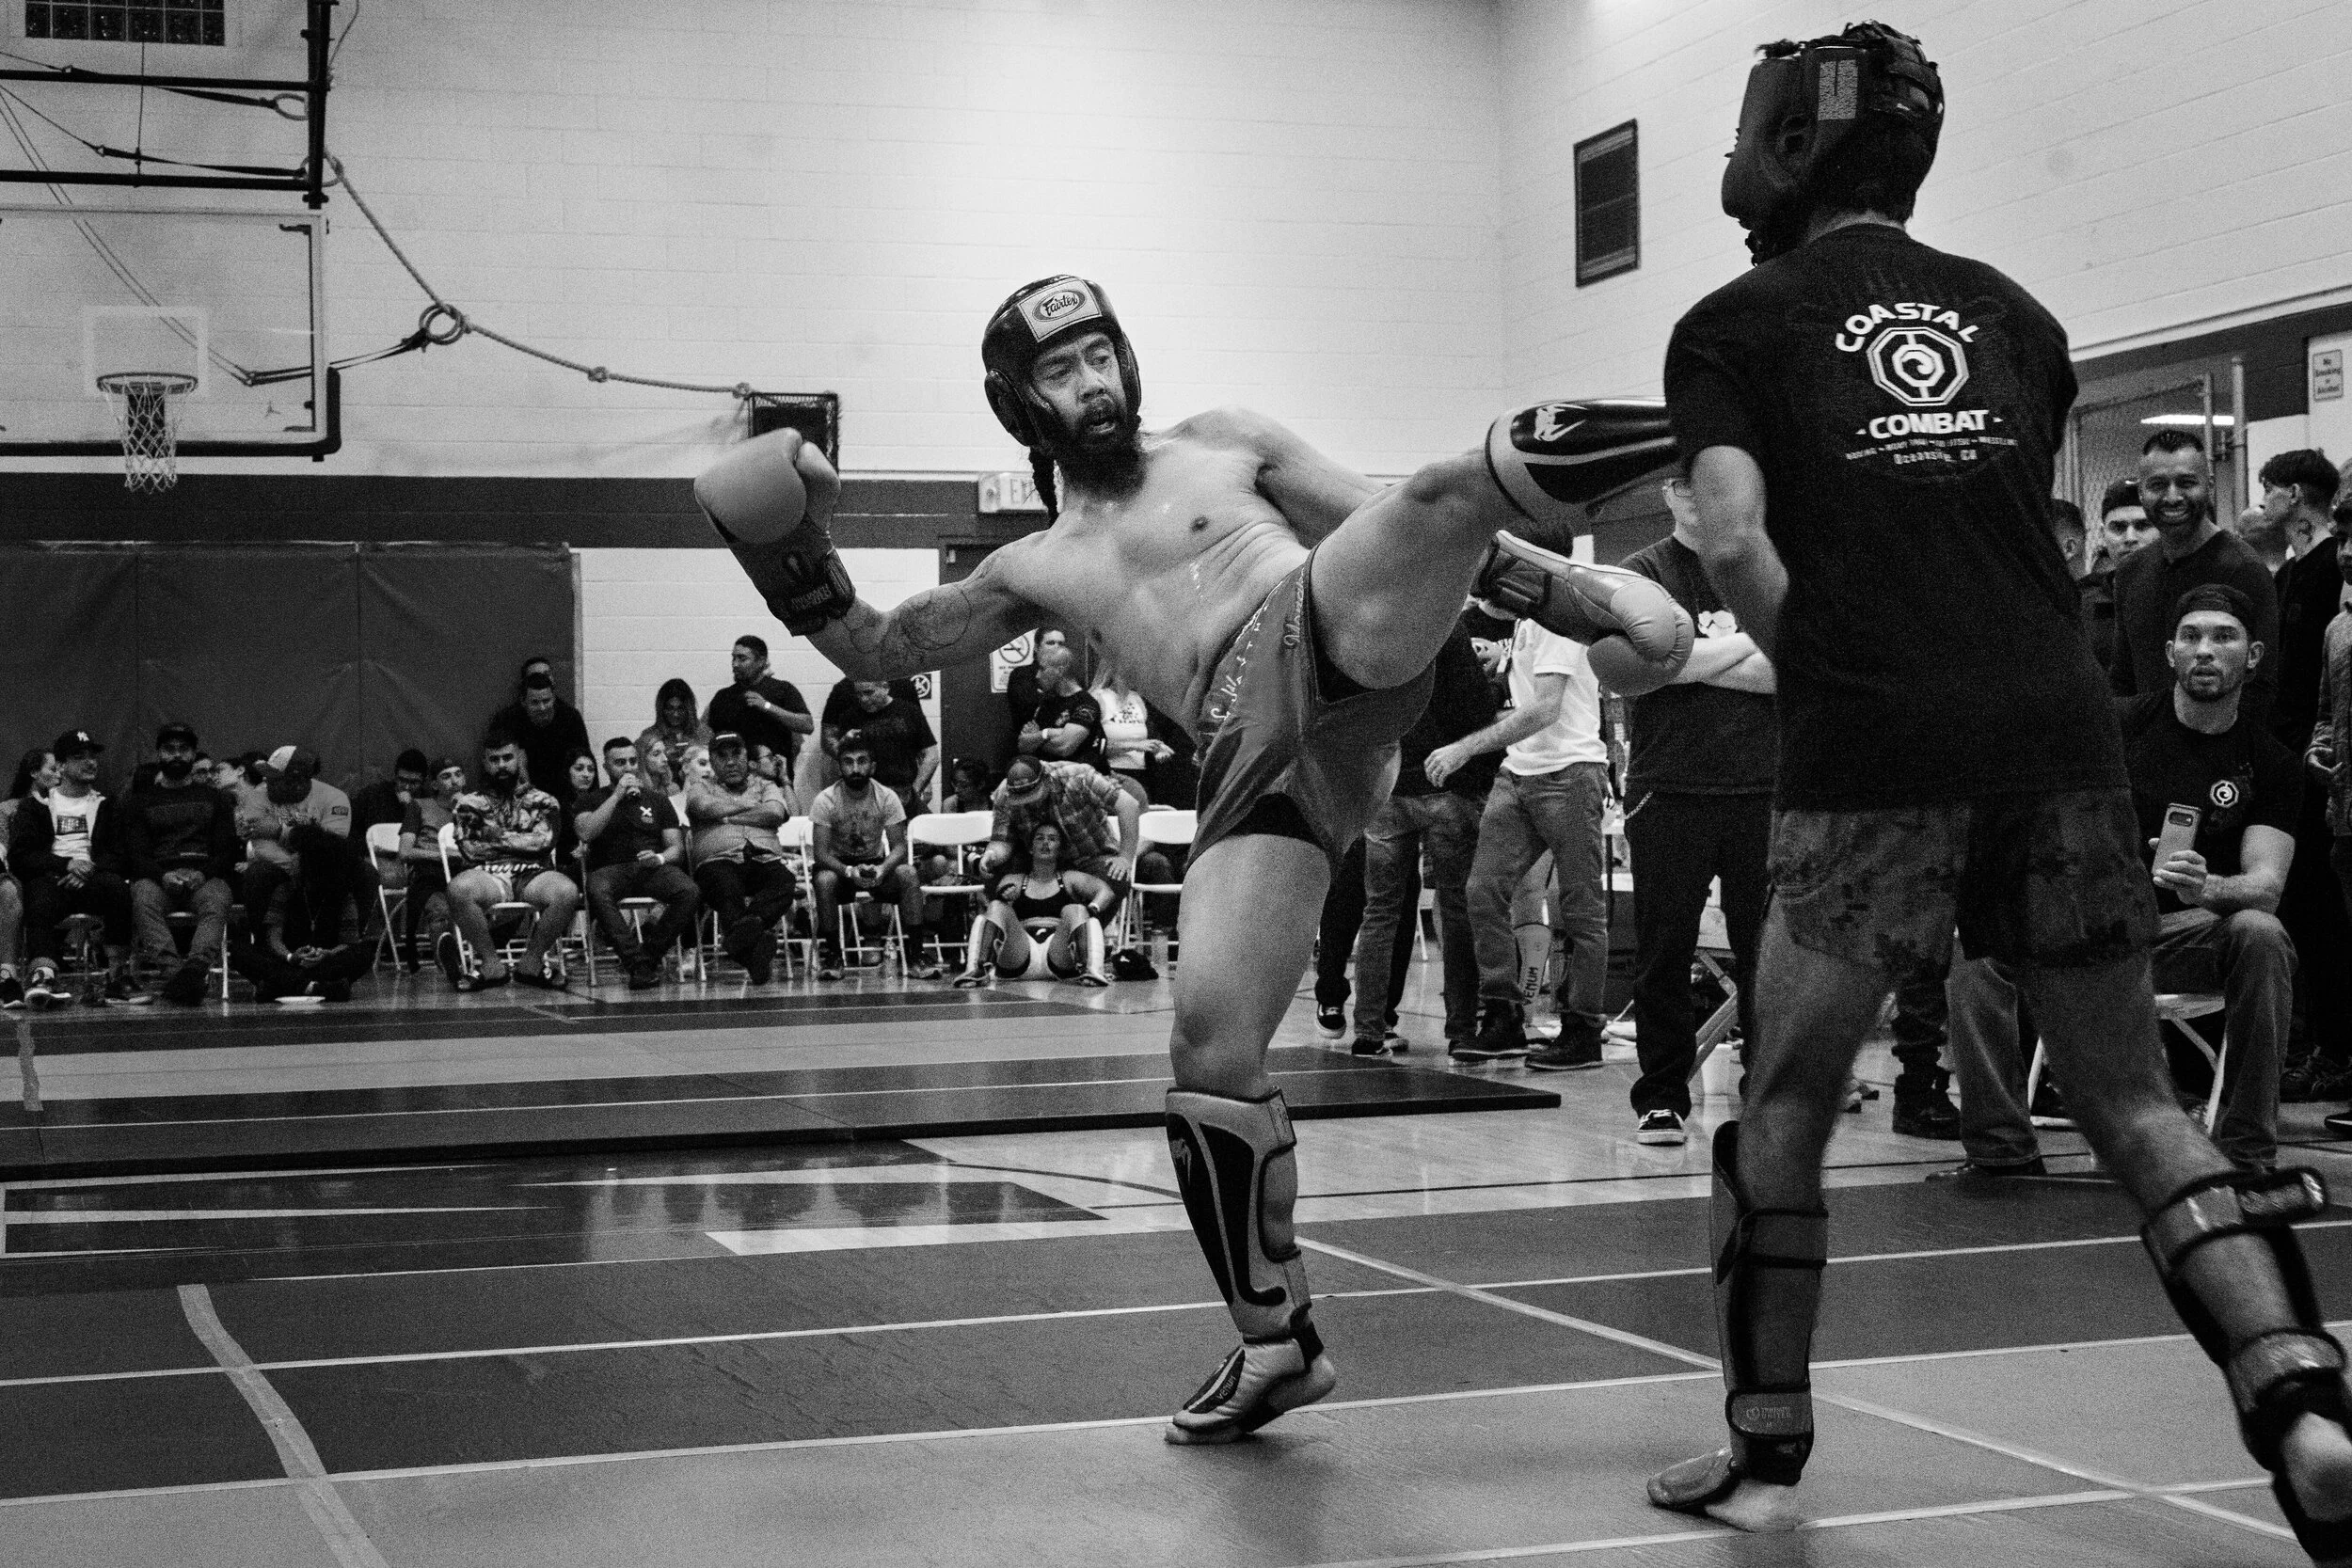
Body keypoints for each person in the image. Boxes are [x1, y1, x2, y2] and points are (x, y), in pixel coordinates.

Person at [697, 271, 1690, 1444]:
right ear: (1020, 405)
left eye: (1099, 355)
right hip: (1251, 760)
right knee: (1209, 1046)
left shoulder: (1227, 442)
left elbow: (1392, 516)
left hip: (1316, 634)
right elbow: (878, 645)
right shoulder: (1032, 565)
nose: (1093, 383)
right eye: (1061, 371)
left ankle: (1705, 422)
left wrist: (1570, 592)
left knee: (1436, 490)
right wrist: (785, 548)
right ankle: (1275, 1340)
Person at [1647, 23, 2352, 1550]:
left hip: (1875, 754)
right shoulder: (2018, 315)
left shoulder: (1732, 324)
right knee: (2137, 1104)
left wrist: (1829, 672)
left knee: (1783, 1105)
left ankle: (1765, 1451)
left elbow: (1733, 538)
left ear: (1784, 145)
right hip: (2060, 737)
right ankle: (2301, 1395)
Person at [1942, 586, 2302, 1176]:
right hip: (2091, 923)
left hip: (2184, 935)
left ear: (2253, 656)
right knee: (1974, 950)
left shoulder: (2272, 762)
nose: (2205, 650)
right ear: (2169, 653)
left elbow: (2266, 885)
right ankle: (2001, 1152)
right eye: (2191, 636)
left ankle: (2247, 1153)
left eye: (2223, 637)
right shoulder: (2116, 726)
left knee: (2260, 933)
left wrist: (2206, 888)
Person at [1610, 478, 1777, 1144]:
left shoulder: (1763, 565)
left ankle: (1767, 1091)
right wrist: (1746, 643)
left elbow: (1782, 671)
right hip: (1669, 789)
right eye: (1685, 485)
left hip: (1762, 786)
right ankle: (1660, 1096)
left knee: (1767, 955)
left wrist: (1684, 657)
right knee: (1664, 951)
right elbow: (1641, 668)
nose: (1698, 496)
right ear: (1668, 493)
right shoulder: (1641, 574)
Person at [1454, 591, 1612, 1069]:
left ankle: (1583, 1029)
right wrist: (1502, 662)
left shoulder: (1559, 622)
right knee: (1482, 891)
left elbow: (1545, 709)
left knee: (1581, 907)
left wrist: (1465, 748)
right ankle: (1503, 1017)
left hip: (1571, 773)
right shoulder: (1526, 623)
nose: (1481, 595)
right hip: (1519, 771)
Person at [1349, 612, 1500, 1056]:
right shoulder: (1444, 626)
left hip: (1387, 783)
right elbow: (1475, 709)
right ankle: (1461, 1029)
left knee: (1380, 912)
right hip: (1445, 781)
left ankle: (1369, 1030)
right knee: (1455, 910)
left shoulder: (1369, 627)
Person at [2256, 451, 2352, 1103]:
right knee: (2311, 917)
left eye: (2267, 490)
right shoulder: (2293, 574)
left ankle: (2336, 1050)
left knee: (2325, 920)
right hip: (2303, 769)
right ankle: (2329, 1048)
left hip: (2324, 783)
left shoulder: (2325, 576)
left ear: (2292, 494)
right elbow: (2319, 694)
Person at [2111, 431, 2280, 727]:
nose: (2172, 497)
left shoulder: (2244, 570)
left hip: (2219, 747)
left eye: (2186, 483)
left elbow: (2260, 684)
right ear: (2141, 493)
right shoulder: (2130, 572)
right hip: (2145, 747)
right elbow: (2123, 679)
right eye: (2158, 485)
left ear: (2209, 486)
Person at [11, 730, 143, 1007]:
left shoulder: (107, 805)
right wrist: (67, 865)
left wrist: (89, 869)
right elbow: (21, 856)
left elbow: (122, 855)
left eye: (92, 756)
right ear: (60, 765)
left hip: (94, 877)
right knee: (38, 893)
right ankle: (43, 975)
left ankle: (118, 976)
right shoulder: (35, 805)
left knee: (118, 889)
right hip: (53, 879)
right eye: (79, 757)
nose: (90, 762)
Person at [445, 730, 579, 991]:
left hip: (534, 874)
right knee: (458, 890)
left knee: (567, 892)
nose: (502, 765)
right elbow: (471, 851)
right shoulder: (468, 804)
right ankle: (491, 965)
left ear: (519, 759)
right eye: (494, 760)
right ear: (485, 763)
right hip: (487, 874)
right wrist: (522, 839)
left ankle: (532, 963)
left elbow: (543, 843)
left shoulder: (543, 801)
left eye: (508, 758)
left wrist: (491, 835)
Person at [123, 721, 239, 1006]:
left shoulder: (216, 799)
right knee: (142, 898)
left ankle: (195, 968)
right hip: (159, 877)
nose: (176, 754)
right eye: (169, 749)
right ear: (159, 754)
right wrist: (162, 876)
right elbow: (135, 854)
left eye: (183, 749)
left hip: (205, 876)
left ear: (193, 754)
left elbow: (227, 851)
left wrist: (203, 874)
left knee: (218, 898)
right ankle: (175, 972)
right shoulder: (139, 801)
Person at [576, 736, 700, 990]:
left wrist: (660, 858)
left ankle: (644, 960)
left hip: (651, 868)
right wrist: (616, 796)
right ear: (606, 767)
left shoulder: (656, 800)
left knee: (689, 891)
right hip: (609, 869)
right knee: (596, 890)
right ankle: (636, 962)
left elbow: (676, 847)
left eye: (633, 761)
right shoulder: (591, 799)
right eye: (620, 763)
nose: (628, 768)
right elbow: (586, 832)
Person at [806, 735, 931, 981]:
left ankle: (917, 954)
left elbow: (899, 847)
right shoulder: (825, 799)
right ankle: (833, 956)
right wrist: (848, 871)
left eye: (861, 761)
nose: (855, 768)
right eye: (848, 762)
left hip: (875, 863)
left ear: (872, 767)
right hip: (838, 866)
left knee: (908, 873)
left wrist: (883, 869)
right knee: (824, 880)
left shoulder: (887, 796)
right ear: (839, 767)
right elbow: (820, 854)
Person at [685, 731, 797, 985]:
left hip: (762, 857)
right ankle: (753, 949)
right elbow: (705, 808)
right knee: (726, 886)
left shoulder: (766, 785)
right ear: (712, 762)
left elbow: (776, 812)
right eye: (722, 756)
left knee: (784, 881)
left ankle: (742, 936)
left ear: (747, 757)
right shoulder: (700, 787)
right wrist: (753, 806)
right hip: (718, 861)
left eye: (737, 754)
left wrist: (726, 817)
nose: (731, 762)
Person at [952, 819, 1114, 987]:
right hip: (1020, 952)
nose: (1045, 843)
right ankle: (977, 970)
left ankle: (1091, 970)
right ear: (1030, 848)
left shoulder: (1070, 878)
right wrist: (1005, 899)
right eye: (1040, 838)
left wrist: (1091, 910)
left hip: (1058, 952)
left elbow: (1106, 892)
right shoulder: (1013, 880)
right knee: (996, 907)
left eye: (1052, 839)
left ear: (1060, 849)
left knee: (1076, 909)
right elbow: (996, 910)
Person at [235, 745, 360, 959]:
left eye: (276, 779)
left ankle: (349, 948)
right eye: (267, 778)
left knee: (364, 872)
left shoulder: (334, 798)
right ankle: (267, 950)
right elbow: (262, 846)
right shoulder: (257, 796)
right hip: (281, 870)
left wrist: (279, 831)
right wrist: (294, 864)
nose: (267, 783)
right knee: (257, 873)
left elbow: (332, 848)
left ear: (299, 782)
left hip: (324, 873)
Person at [706, 634, 814, 785]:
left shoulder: (782, 690)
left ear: (761, 661)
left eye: (742, 659)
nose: (735, 664)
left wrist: (767, 706)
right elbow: (708, 738)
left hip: (776, 782)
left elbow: (807, 725)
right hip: (734, 785)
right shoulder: (723, 697)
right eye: (733, 658)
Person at [825, 678, 939, 817]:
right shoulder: (850, 717)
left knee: (925, 829)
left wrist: (916, 790)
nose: (863, 699)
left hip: (904, 791)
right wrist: (843, 742)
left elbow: (931, 755)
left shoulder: (909, 711)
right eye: (859, 694)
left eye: (868, 693)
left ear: (885, 688)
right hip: (867, 795)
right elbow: (843, 761)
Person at [0, 747, 60, 1008]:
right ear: (34, 773)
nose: (59, 775)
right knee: (9, 891)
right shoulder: (8, 809)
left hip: (51, 876)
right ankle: (7, 978)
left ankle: (43, 973)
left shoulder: (63, 807)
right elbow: (1, 848)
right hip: (16, 875)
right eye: (53, 769)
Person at [489, 661, 594, 809]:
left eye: (546, 701)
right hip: (520, 794)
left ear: (553, 698)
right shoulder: (507, 719)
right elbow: (494, 759)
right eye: (535, 703)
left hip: (564, 792)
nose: (542, 708)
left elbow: (585, 759)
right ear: (523, 701)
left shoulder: (570, 717)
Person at [400, 756, 466, 977]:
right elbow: (405, 852)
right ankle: (447, 959)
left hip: (465, 875)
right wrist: (443, 855)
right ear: (435, 785)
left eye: (458, 774)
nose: (454, 781)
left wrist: (466, 809)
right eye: (446, 776)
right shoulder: (419, 806)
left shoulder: (475, 807)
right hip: (429, 875)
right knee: (440, 910)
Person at [2082, 477, 2154, 676]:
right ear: (2102, 533)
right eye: (2118, 528)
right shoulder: (2082, 604)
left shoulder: (2181, 595)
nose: (2130, 538)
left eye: (2142, 526)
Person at [1018, 638, 1107, 774]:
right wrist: (1052, 733)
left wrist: (1041, 735)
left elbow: (1064, 747)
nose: (1037, 675)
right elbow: (1023, 745)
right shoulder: (1047, 702)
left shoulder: (1086, 703)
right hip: (1049, 777)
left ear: (1059, 671)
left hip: (1080, 779)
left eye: (1042, 669)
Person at [639, 678, 713, 771]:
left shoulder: (704, 733)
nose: (675, 714)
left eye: (681, 708)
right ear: (661, 709)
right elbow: (642, 770)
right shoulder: (650, 736)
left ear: (689, 709)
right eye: (670, 708)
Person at [352, 750, 430, 838]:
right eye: (402, 780)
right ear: (395, 776)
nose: (407, 787)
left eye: (414, 783)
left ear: (423, 781)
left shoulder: (429, 802)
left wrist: (411, 808)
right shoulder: (372, 795)